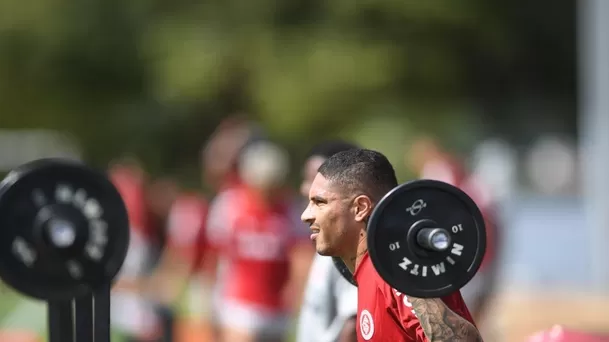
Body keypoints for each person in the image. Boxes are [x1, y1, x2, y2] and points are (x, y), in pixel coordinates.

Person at [301, 148, 482, 342]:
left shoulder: (391, 272)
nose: (305, 215)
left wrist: (404, 274)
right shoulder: (369, 270)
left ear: (360, 208)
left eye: (319, 202)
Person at [206, 140, 304, 342]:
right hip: (238, 303)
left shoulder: (290, 210)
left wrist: (297, 291)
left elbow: (301, 254)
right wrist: (210, 301)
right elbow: (213, 254)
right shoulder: (229, 205)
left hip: (276, 307)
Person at [407, 136, 499, 324]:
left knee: (460, 313)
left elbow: (435, 212)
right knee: (474, 313)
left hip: (465, 251)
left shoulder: (438, 171)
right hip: (485, 247)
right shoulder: (464, 174)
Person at [295, 140, 360, 342]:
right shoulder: (326, 240)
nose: (305, 189)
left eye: (314, 181)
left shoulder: (348, 246)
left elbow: (353, 325)